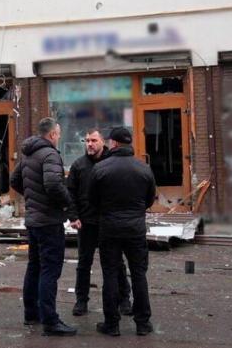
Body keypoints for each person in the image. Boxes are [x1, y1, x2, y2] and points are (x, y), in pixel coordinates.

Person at [10, 117, 81, 336]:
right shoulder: (50, 154)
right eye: (58, 133)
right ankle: (50, 321)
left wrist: (32, 197)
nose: (59, 136)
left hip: (33, 220)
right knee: (50, 270)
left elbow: (14, 180)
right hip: (49, 221)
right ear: (52, 135)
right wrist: (69, 205)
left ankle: (31, 313)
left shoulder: (29, 154)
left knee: (35, 266)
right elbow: (53, 184)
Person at [88, 127, 156, 337]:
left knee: (110, 274)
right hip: (135, 229)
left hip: (109, 228)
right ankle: (142, 323)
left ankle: (112, 324)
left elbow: (92, 200)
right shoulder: (143, 168)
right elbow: (149, 199)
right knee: (139, 274)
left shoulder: (100, 168)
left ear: (114, 143)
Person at [67, 128, 132, 317]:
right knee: (84, 263)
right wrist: (73, 216)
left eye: (94, 140)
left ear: (103, 142)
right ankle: (81, 301)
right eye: (87, 140)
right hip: (86, 222)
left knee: (116, 263)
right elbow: (70, 193)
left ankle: (124, 299)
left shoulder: (112, 163)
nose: (89, 144)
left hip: (108, 222)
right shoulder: (79, 165)